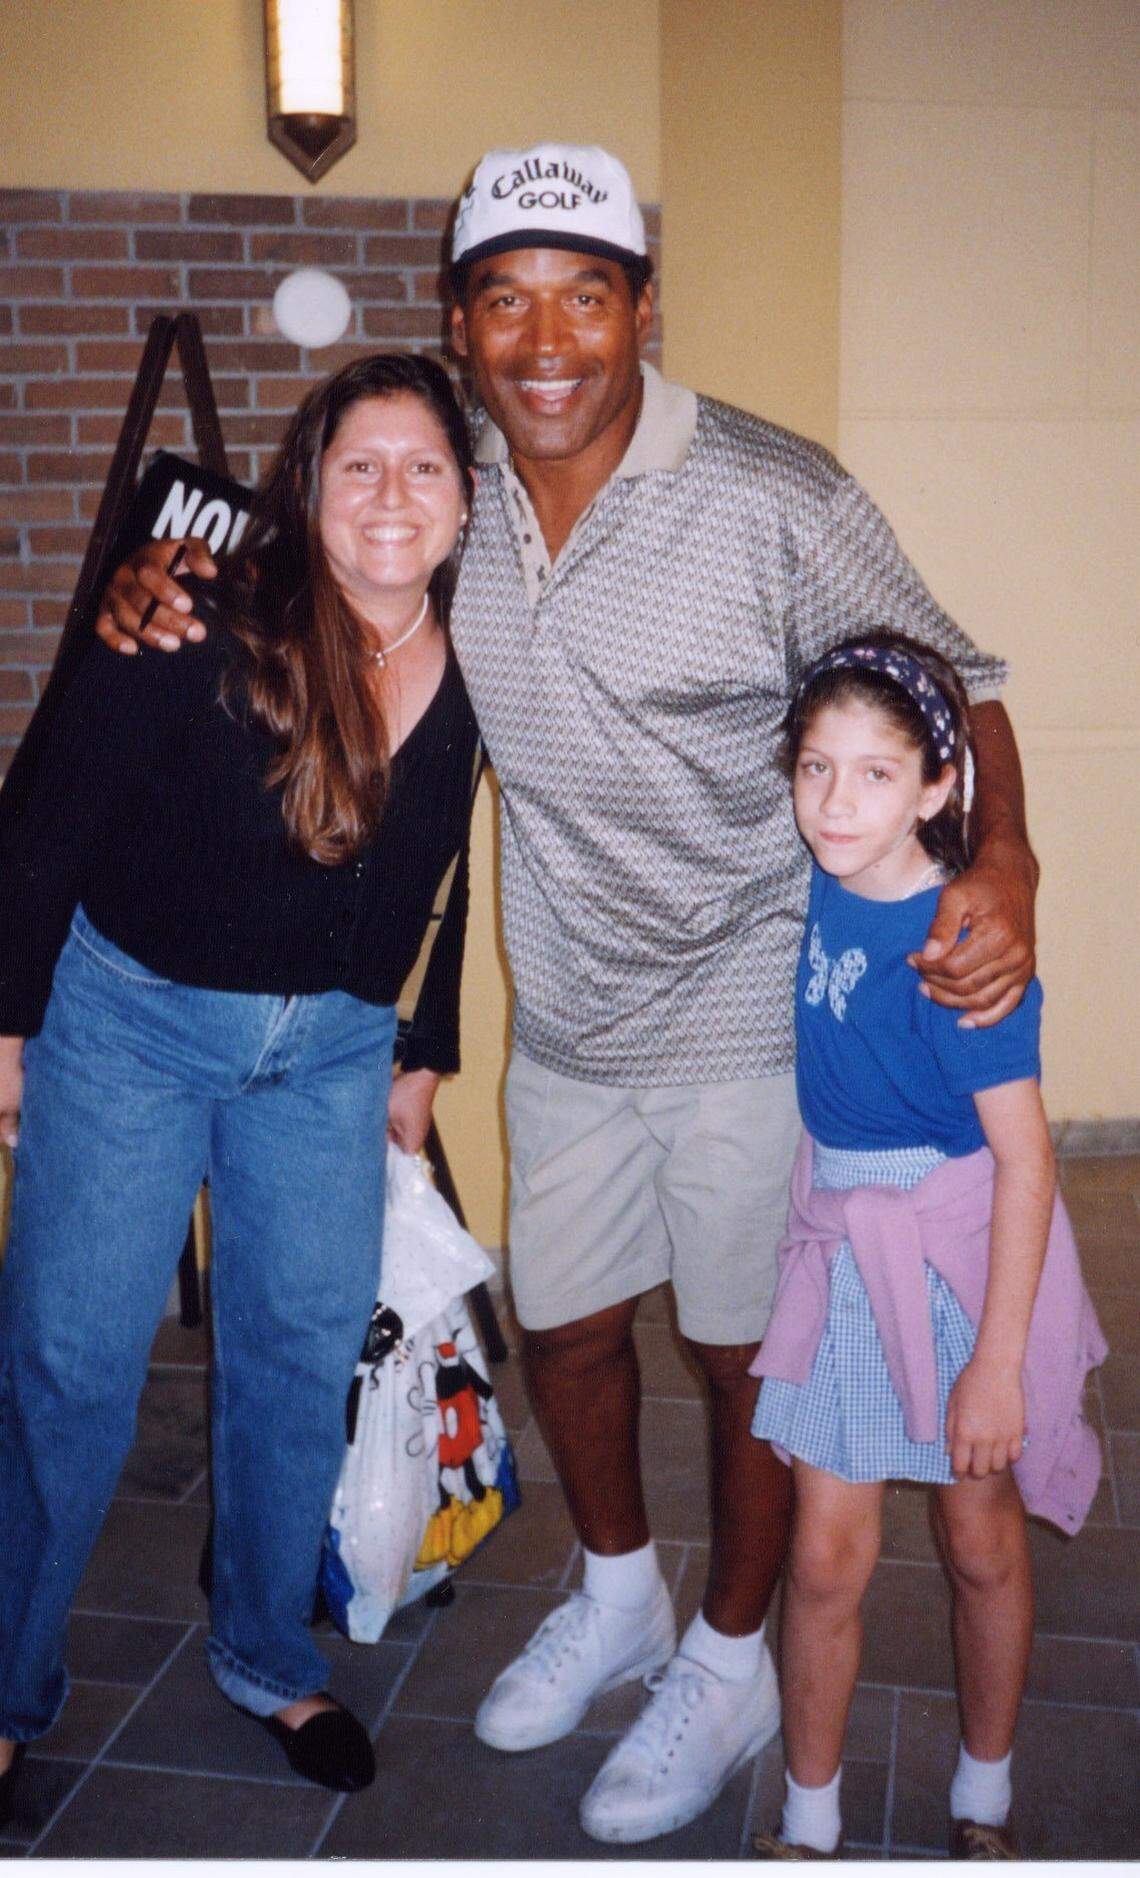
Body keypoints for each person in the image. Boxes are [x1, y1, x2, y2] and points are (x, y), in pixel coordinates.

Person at [95, 144, 1041, 1845]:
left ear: (640, 309)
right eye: (507, 299)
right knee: (572, 1325)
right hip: (577, 1010)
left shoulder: (771, 491)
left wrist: (1009, 866)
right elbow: (321, 524)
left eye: (585, 295)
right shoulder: (448, 482)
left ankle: (730, 1649)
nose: (547, 339)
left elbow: (954, 679)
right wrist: (165, 573)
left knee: (747, 1350)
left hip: (756, 1007)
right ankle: (617, 1589)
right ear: (460, 323)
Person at [0, 353, 479, 1828]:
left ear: (467, 499)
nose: (392, 495)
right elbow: (49, 802)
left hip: (327, 1056)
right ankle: (8, 1688)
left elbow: (446, 871)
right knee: (73, 1362)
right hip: (131, 1025)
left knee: (294, 1357)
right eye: (359, 465)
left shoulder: (482, 654)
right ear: (305, 484)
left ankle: (269, 1650)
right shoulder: (200, 605)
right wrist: (2, 1017)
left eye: (425, 467)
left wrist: (421, 1044)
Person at [748, 633, 1105, 1860]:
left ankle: (986, 1796)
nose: (836, 804)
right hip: (846, 1249)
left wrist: (997, 1363)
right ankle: (807, 1821)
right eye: (814, 769)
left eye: (876, 775)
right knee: (827, 1557)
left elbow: (1026, 1161)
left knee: (977, 1538)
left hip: (957, 1262)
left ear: (941, 787)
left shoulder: (963, 950)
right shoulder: (827, 874)